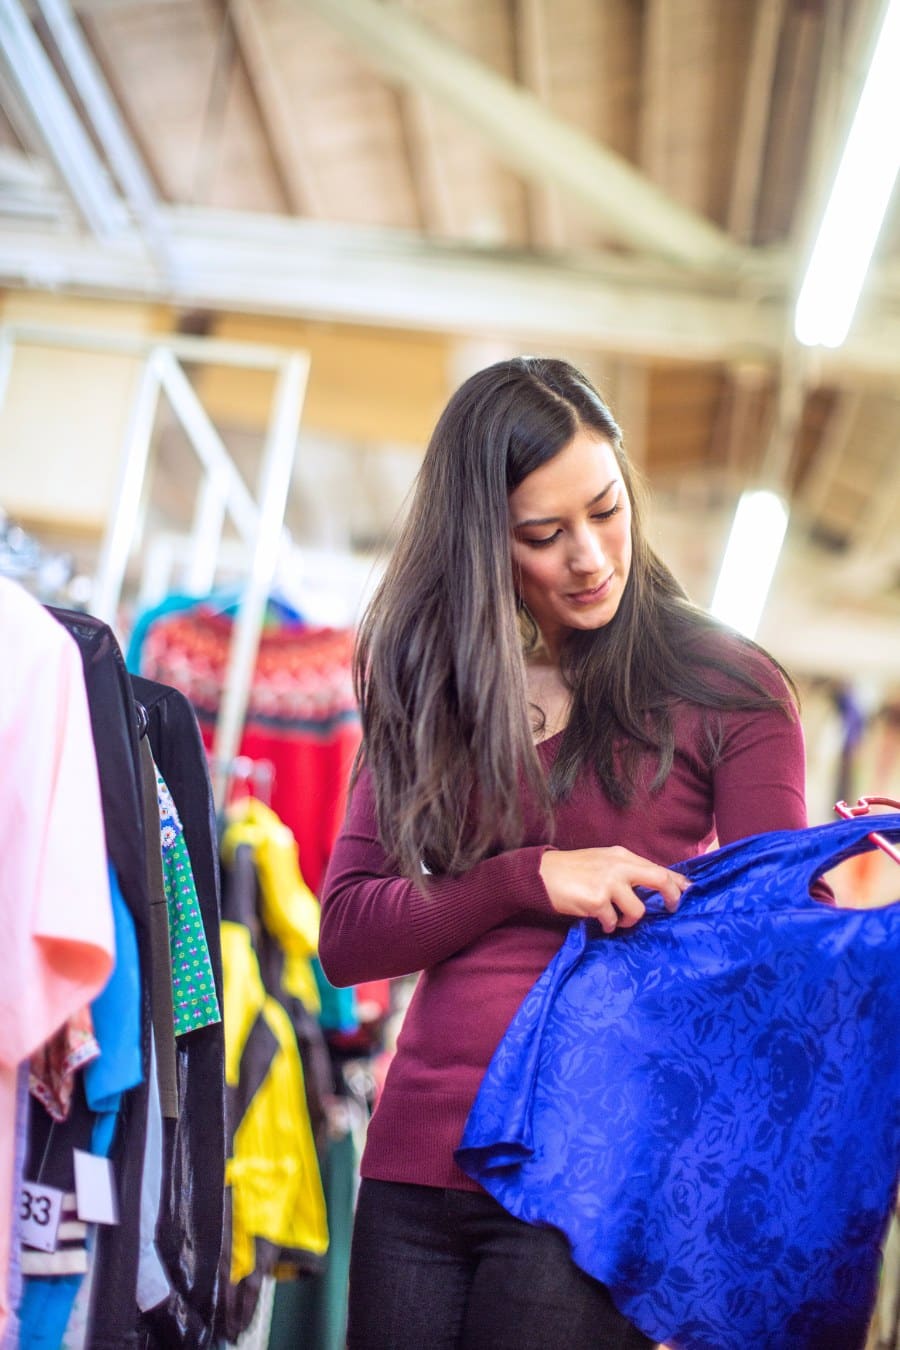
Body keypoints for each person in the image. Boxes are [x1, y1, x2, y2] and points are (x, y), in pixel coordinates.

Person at [319, 357, 815, 1350]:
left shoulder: (728, 687)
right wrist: (524, 878)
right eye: (545, 535)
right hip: (413, 1162)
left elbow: (771, 974)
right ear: (485, 545)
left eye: (606, 510)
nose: (590, 555)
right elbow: (347, 935)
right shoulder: (436, 682)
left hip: (594, 1174)